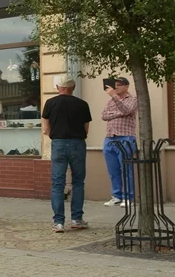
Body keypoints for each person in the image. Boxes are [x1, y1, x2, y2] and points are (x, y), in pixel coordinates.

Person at [41, 75, 92, 233]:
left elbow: (45, 128)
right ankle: (77, 219)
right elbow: (86, 129)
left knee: (57, 183)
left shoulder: (50, 103)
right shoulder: (82, 104)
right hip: (77, 144)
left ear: (57, 87)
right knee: (78, 182)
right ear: (73, 88)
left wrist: (54, 136)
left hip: (59, 143)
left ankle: (58, 222)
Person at [101, 76, 138, 206]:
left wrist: (116, 100)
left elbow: (127, 110)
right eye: (115, 85)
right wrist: (119, 113)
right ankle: (116, 196)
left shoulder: (132, 99)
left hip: (125, 137)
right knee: (113, 170)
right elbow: (104, 115)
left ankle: (128, 197)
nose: (116, 87)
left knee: (126, 169)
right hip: (110, 137)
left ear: (126, 87)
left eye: (119, 85)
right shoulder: (111, 101)